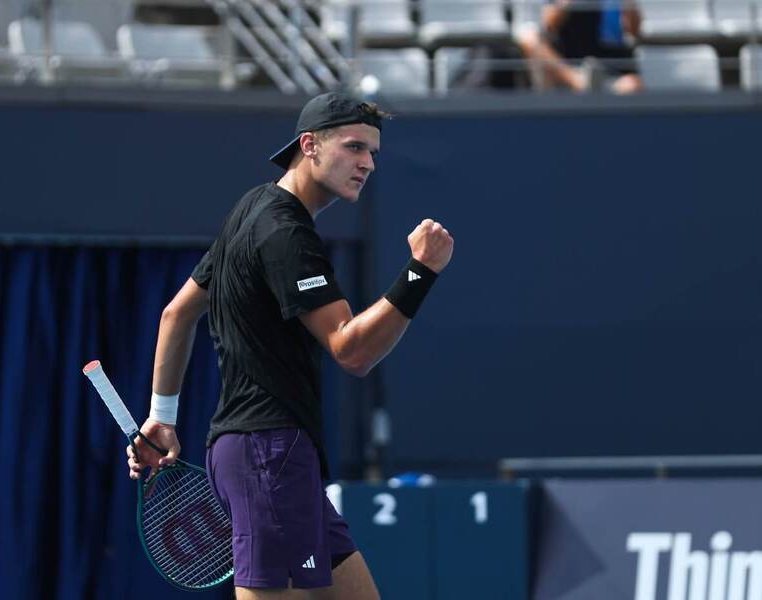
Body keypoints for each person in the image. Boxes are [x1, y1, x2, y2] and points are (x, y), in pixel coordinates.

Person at [125, 92, 454, 599]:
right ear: (310, 145)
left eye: (372, 153)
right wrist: (420, 272)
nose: (368, 164)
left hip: (267, 454)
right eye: (354, 147)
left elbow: (177, 313)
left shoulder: (251, 208)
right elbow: (352, 351)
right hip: (267, 454)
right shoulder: (285, 233)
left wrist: (162, 417)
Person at [515, 0, 643, 94]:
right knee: (530, 38)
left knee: (632, 86)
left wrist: (628, 4)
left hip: (611, 71)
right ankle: (581, 84)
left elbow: (634, 30)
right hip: (571, 67)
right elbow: (550, 24)